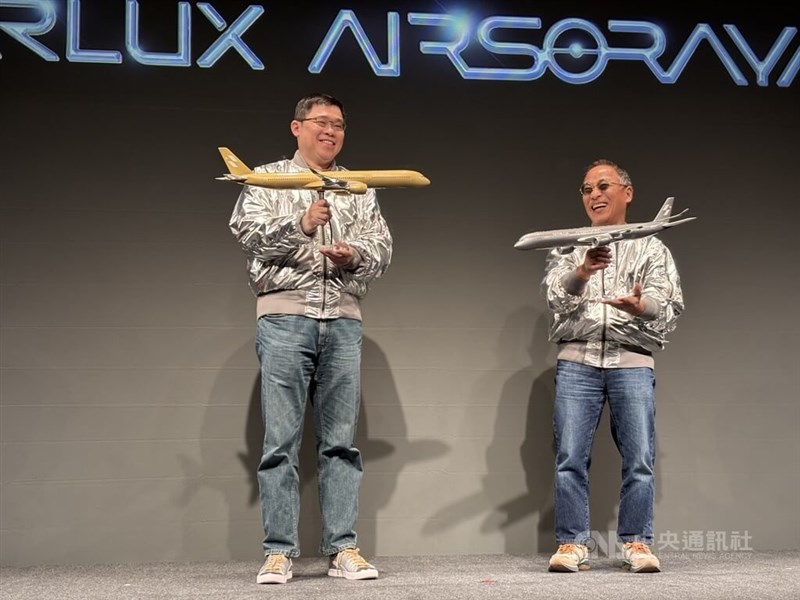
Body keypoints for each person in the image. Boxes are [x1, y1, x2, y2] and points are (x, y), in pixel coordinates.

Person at [228, 93, 392, 584]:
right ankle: (279, 551)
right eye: (321, 122)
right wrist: (300, 225)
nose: (331, 131)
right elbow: (246, 232)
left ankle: (343, 549)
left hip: (343, 320)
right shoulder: (267, 177)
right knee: (280, 442)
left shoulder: (358, 187)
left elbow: (382, 248)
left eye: (339, 124)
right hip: (284, 319)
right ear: (296, 127)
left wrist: (353, 256)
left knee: (341, 443)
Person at [542, 159, 685, 574]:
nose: (594, 195)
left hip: (632, 362)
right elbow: (555, 298)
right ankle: (571, 543)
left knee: (639, 457)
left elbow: (668, 305)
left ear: (627, 192)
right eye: (586, 189)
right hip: (577, 360)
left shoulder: (652, 247)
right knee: (570, 456)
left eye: (603, 186)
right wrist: (582, 270)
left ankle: (637, 542)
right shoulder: (567, 244)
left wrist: (642, 306)